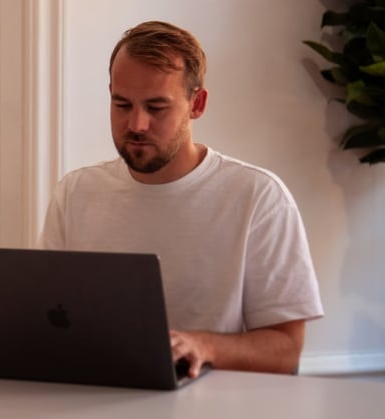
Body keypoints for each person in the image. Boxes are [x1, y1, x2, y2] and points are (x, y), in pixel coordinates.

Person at [39, 21, 323, 377]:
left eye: (156, 107)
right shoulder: (75, 192)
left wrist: (204, 346)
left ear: (197, 103)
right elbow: (48, 316)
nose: (137, 124)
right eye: (122, 104)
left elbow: (285, 351)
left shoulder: (259, 197)